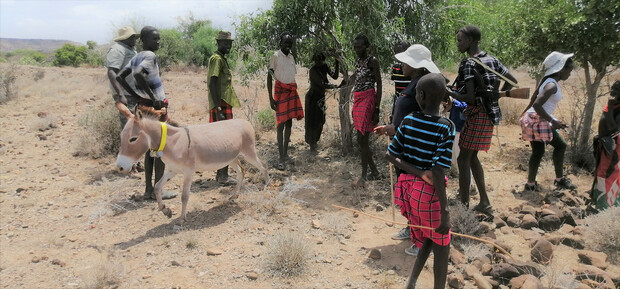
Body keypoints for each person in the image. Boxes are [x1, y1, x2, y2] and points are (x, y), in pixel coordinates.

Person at [385, 73, 454, 289]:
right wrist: (445, 211)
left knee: (428, 236)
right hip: (428, 194)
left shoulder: (408, 120)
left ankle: (411, 283)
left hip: (408, 190)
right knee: (442, 246)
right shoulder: (446, 126)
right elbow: (438, 169)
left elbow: (390, 155)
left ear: (421, 96)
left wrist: (415, 171)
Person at [374, 44, 442, 256]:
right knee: (408, 191)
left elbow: (421, 120)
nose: (401, 64)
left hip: (415, 148)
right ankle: (413, 229)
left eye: (405, 61)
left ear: (415, 65)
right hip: (405, 143)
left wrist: (394, 128)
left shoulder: (422, 87)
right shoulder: (414, 83)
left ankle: (423, 241)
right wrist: (391, 128)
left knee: (417, 193)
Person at [447, 25, 517, 214]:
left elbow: (469, 98)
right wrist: (495, 93)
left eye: (460, 40)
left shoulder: (469, 63)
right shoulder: (493, 60)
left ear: (470, 41)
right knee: (472, 156)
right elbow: (512, 80)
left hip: (477, 114)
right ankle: (484, 201)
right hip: (489, 115)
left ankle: (463, 207)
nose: (458, 44)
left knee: (463, 159)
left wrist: (449, 92)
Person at [117, 26, 176, 200]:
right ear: (143, 39)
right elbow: (138, 74)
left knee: (151, 149)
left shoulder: (136, 56)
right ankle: (158, 191)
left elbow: (121, 77)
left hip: (142, 106)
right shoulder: (149, 56)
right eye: (154, 39)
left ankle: (149, 190)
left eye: (158, 39)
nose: (157, 42)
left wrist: (136, 95)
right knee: (159, 149)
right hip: (154, 108)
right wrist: (153, 97)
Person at [520, 52, 577, 192]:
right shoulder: (552, 85)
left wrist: (525, 114)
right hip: (538, 119)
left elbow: (534, 99)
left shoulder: (546, 81)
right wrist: (552, 121)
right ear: (561, 68)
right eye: (569, 70)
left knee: (538, 151)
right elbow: (538, 105)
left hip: (533, 118)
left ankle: (531, 184)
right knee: (561, 146)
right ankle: (559, 179)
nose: (569, 74)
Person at [347, 34, 382, 185]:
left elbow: (379, 84)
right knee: (360, 139)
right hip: (358, 98)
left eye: (360, 47)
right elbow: (356, 77)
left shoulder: (372, 61)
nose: (357, 49)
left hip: (368, 99)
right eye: (355, 47)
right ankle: (374, 171)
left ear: (366, 47)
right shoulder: (359, 61)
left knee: (363, 138)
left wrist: (377, 108)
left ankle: (364, 175)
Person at [267, 32, 304, 170]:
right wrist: (271, 98)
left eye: (290, 43)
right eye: (285, 43)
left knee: (289, 123)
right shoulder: (275, 56)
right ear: (280, 43)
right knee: (280, 124)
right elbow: (270, 77)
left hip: (291, 91)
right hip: (280, 92)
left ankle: (285, 153)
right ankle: (281, 157)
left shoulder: (291, 57)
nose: (288, 46)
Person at [207, 31, 241, 185]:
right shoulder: (216, 59)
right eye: (225, 43)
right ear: (218, 43)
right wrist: (218, 108)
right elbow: (212, 82)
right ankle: (223, 176)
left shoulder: (222, 59)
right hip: (220, 104)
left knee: (223, 140)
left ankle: (221, 173)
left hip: (224, 103)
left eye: (229, 43)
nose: (228, 46)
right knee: (224, 141)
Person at [591, 80, 620, 209]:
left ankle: (605, 206)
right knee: (602, 171)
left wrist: (609, 103)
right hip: (606, 144)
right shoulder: (615, 105)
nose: (613, 93)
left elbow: (613, 127)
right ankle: (600, 199)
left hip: (614, 146)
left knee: (607, 173)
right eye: (612, 89)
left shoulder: (614, 105)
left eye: (617, 91)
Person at [304, 51, 339, 152]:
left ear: (323, 59)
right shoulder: (313, 70)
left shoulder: (324, 67)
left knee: (320, 120)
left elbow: (335, 76)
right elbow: (322, 84)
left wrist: (337, 62)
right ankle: (312, 144)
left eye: (320, 59)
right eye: (316, 59)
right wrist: (337, 86)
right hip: (312, 98)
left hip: (320, 98)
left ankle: (315, 142)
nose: (318, 61)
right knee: (312, 122)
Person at [106, 26, 139, 129]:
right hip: (125, 93)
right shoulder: (117, 50)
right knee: (128, 125)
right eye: (132, 37)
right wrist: (120, 95)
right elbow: (112, 72)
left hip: (132, 92)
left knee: (136, 123)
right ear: (125, 38)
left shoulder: (131, 50)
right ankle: (127, 145)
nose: (135, 40)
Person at [390, 40, 412, 121]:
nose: (397, 55)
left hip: (410, 103)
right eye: (396, 52)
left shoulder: (413, 69)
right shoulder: (395, 68)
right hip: (398, 102)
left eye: (400, 53)